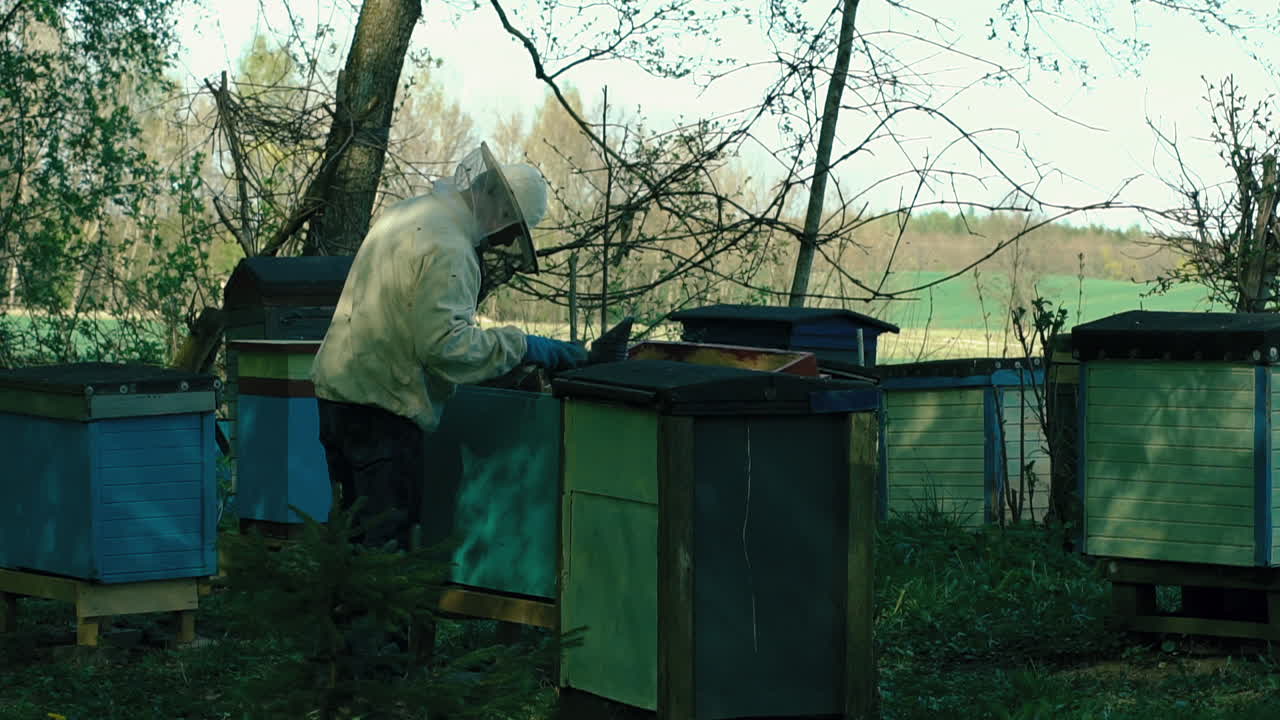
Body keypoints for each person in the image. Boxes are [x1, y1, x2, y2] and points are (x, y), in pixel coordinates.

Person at [310, 142, 587, 549]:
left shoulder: (406, 213)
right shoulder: (451, 247)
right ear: (502, 211)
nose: (502, 241)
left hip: (338, 395)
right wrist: (521, 345)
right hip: (383, 410)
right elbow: (445, 347)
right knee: (382, 552)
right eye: (511, 231)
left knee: (349, 541)